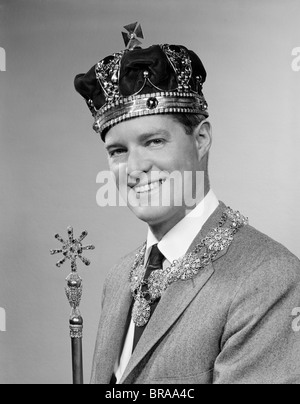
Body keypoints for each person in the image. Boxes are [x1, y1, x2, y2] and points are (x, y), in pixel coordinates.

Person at [74, 23, 300, 384]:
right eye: (118, 151)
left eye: (153, 142)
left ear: (201, 139)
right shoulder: (118, 279)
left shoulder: (269, 279)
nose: (134, 169)